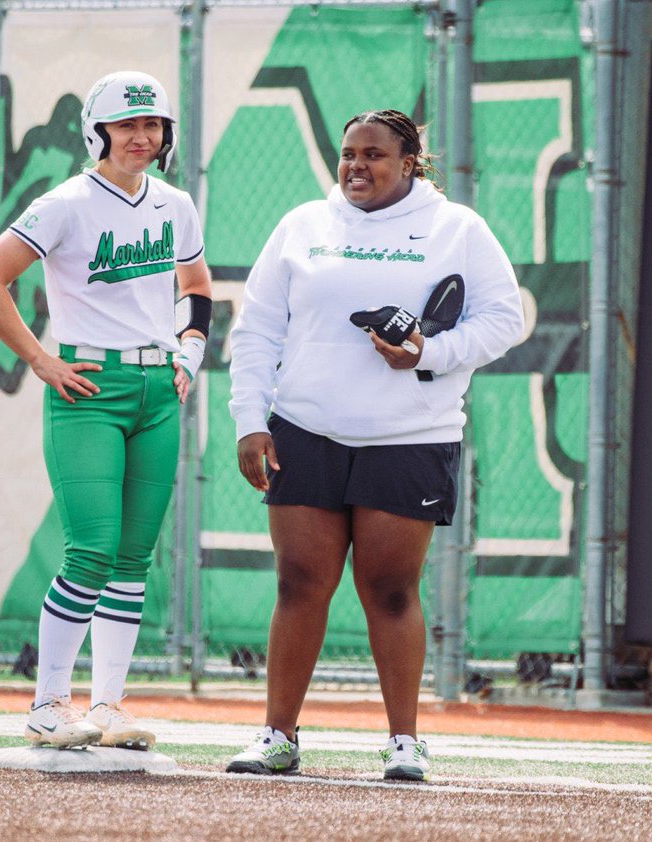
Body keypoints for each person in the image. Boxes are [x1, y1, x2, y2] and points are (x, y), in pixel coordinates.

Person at [224, 109, 524, 781]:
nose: (357, 166)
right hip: (303, 429)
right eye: (348, 154)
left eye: (375, 155)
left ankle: (404, 743)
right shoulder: (303, 226)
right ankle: (278, 735)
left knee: (389, 589)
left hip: (410, 438)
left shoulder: (458, 229)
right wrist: (251, 419)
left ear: (410, 161)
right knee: (299, 583)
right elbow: (258, 329)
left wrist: (428, 353)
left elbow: (507, 319)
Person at [0, 70, 212, 752]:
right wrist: (40, 361)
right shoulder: (66, 203)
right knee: (92, 551)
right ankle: (48, 706)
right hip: (88, 389)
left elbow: (196, 286)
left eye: (152, 125)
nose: (141, 137)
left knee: (133, 558)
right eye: (127, 125)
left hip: (159, 392)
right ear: (97, 133)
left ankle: (108, 706)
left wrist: (189, 355)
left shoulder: (175, 204)